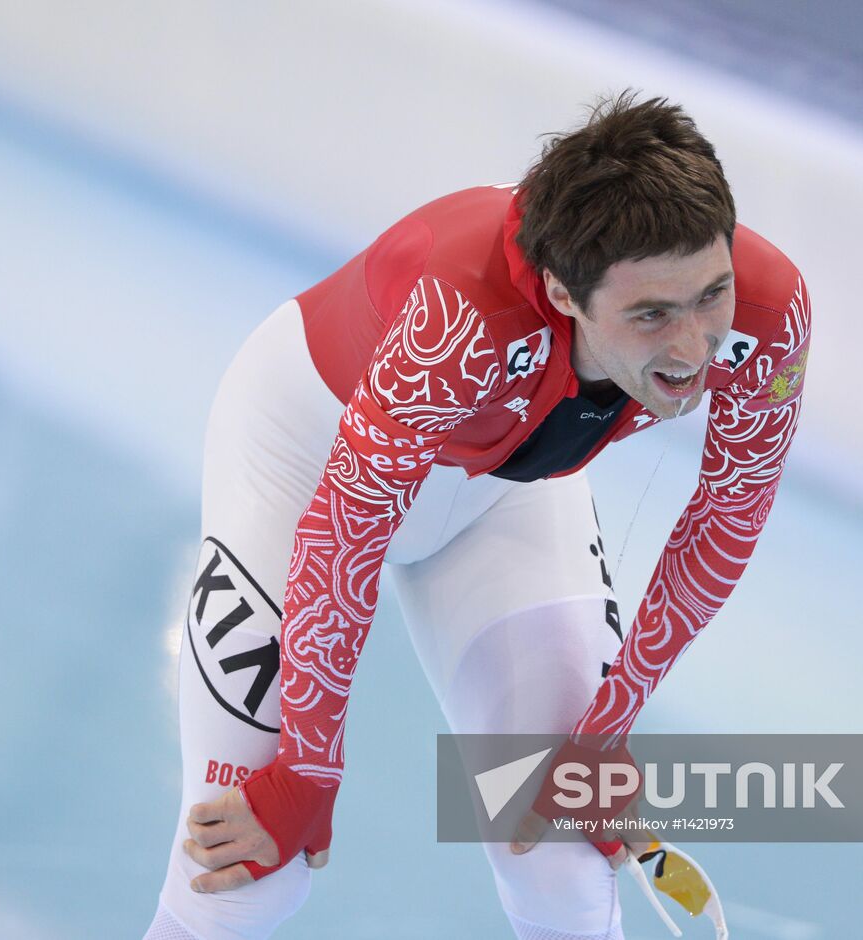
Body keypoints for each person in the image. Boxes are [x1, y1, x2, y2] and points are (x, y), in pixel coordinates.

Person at [144, 91, 811, 940]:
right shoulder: (461, 316)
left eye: (709, 295)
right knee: (241, 878)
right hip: (304, 460)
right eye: (649, 316)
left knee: (561, 864)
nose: (691, 349)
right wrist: (307, 772)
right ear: (565, 295)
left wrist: (605, 735)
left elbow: (730, 512)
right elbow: (345, 530)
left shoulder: (766, 310)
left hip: (504, 498)